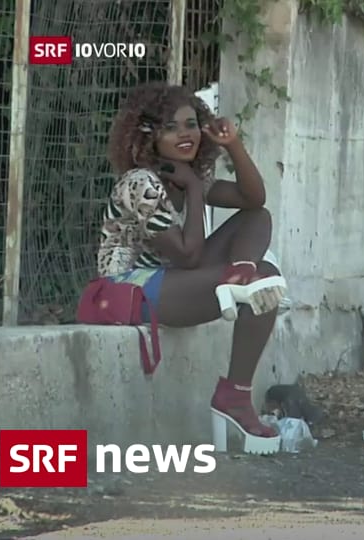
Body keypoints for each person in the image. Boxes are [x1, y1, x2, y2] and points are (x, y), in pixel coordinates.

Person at [98, 82, 284, 454]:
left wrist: (233, 145)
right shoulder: (141, 183)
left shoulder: (188, 176)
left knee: (258, 230)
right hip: (128, 289)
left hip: (176, 281)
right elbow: (188, 257)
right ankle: (240, 284)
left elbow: (254, 199)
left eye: (191, 124)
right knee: (262, 282)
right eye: (171, 127)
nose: (185, 134)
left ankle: (236, 392)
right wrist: (196, 192)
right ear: (149, 135)